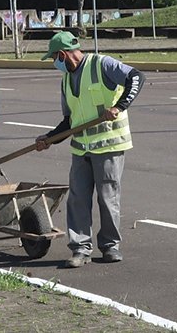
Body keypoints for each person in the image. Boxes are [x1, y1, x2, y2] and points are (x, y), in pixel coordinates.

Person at [35, 31, 145, 268]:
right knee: (77, 200)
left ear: (63, 54)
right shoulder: (65, 80)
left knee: (108, 198)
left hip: (109, 146)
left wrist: (119, 106)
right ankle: (80, 249)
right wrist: (49, 139)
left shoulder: (101, 64)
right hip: (81, 149)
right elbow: (69, 121)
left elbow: (136, 77)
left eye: (55, 58)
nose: (55, 63)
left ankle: (110, 246)